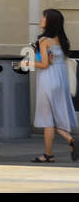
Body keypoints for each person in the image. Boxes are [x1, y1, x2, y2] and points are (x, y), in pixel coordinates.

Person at [31, 9, 77, 163]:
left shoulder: (44, 40)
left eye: (44, 17)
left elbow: (44, 64)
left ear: (49, 21)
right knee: (52, 119)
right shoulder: (62, 40)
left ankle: (65, 144)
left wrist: (27, 62)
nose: (41, 19)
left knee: (48, 120)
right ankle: (50, 153)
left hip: (48, 80)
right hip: (61, 80)